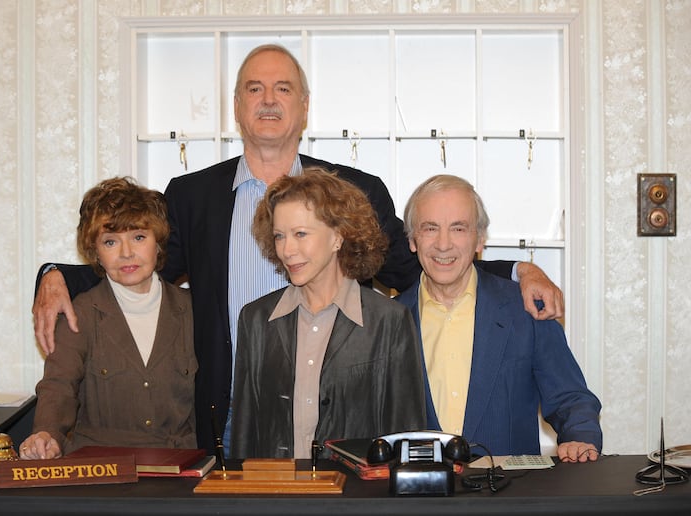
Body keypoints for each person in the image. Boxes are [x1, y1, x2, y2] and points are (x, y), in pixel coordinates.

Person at [31, 44, 563, 453]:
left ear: (304, 106)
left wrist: (515, 270)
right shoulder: (190, 196)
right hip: (222, 420)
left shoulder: (355, 192)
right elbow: (138, 267)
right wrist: (58, 274)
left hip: (337, 423)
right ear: (236, 106)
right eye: (255, 88)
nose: (268, 100)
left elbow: (423, 262)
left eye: (282, 89)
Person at [397, 174, 602, 463]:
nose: (443, 244)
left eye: (458, 228)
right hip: (418, 499)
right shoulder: (387, 321)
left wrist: (579, 439)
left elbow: (571, 398)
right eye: (430, 228)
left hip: (510, 496)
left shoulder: (526, 309)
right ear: (412, 240)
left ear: (480, 239)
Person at [231, 168, 426, 458]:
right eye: (279, 236)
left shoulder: (389, 321)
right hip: (273, 497)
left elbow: (406, 436)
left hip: (356, 498)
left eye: (300, 234)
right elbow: (244, 434)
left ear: (338, 237)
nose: (287, 249)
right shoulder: (256, 319)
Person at [19, 177, 197, 460]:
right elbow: (59, 385)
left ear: (159, 243)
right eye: (111, 241)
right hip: (100, 468)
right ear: (96, 253)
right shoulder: (81, 313)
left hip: (180, 468)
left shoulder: (192, 311)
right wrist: (46, 433)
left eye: (139, 237)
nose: (126, 253)